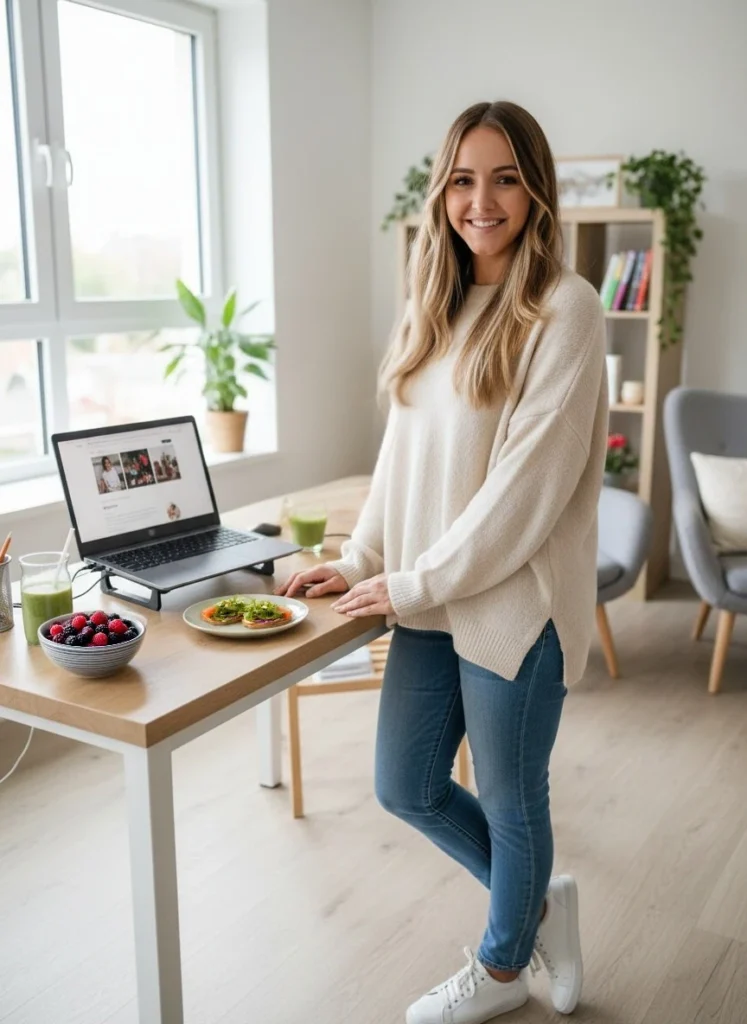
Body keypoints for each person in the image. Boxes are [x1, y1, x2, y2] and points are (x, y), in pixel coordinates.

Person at [278, 100, 607, 1023]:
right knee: (405, 786)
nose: (481, 199)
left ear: (536, 191)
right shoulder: (434, 302)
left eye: (504, 177)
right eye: (463, 178)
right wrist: (361, 558)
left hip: (513, 605)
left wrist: (409, 580)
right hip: (426, 594)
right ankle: (539, 904)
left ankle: (504, 970)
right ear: (441, 194)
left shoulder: (564, 310)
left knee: (509, 799)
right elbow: (403, 456)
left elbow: (524, 490)